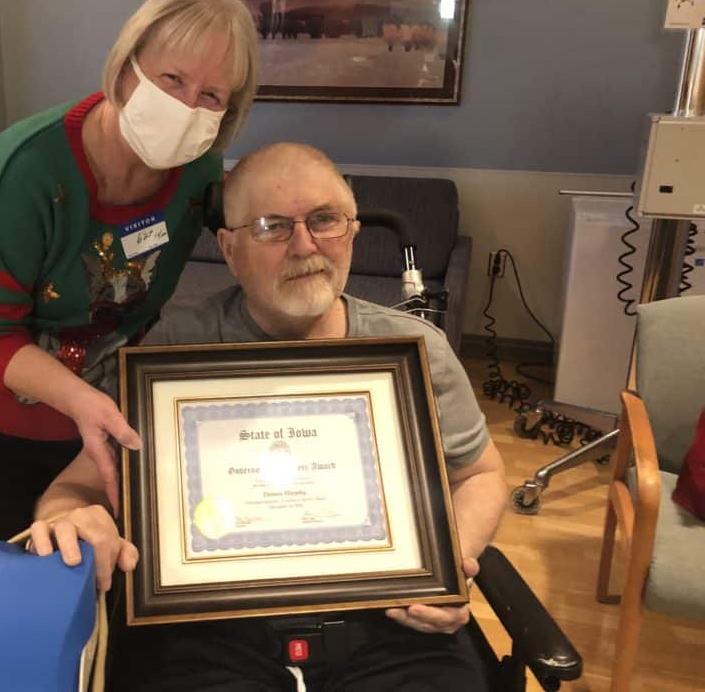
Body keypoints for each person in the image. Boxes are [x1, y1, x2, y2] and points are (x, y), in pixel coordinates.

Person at [30, 143, 508, 691]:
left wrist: (451, 562)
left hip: (390, 622)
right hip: (208, 629)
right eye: (272, 226)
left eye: (325, 219)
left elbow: (481, 473)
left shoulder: (416, 350)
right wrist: (69, 515)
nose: (305, 245)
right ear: (229, 249)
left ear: (352, 232)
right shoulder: (175, 347)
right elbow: (78, 486)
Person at [0, 0, 259, 560]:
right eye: (172, 79)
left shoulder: (197, 170)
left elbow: (250, 232)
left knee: (104, 563)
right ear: (126, 69)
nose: (187, 107)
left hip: (96, 394)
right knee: (20, 575)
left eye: (212, 96)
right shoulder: (26, 173)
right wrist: (80, 400)